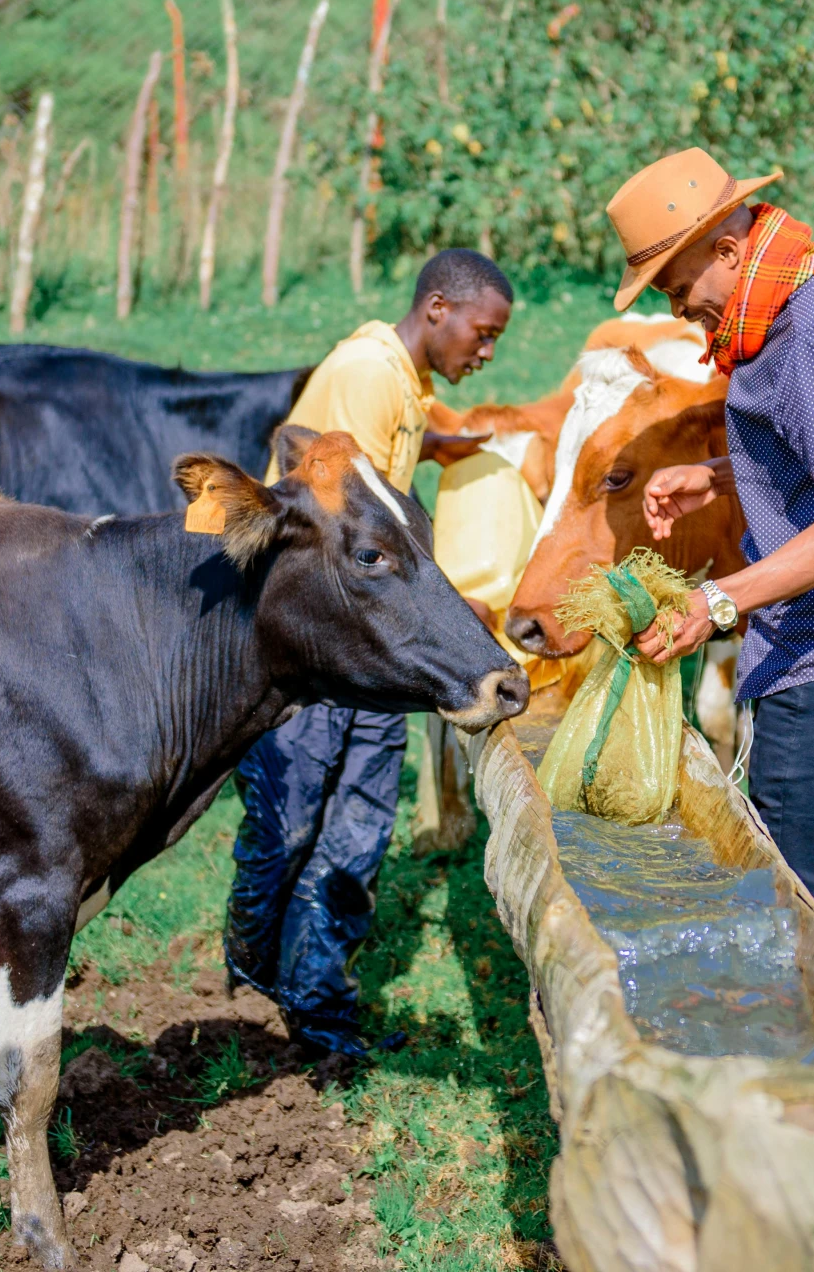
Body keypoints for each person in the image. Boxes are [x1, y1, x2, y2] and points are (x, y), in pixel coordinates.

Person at [606, 146, 814, 1005]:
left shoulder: (805, 332)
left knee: (803, 908)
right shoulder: (801, 300)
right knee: (803, 899)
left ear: (725, 248)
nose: (673, 304)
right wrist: (723, 475)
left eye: (671, 280)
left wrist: (717, 601)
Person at [225, 248, 513, 1058]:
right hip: (318, 654)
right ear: (436, 310)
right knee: (291, 826)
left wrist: (430, 450)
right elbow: (340, 529)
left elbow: (370, 493)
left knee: (354, 833)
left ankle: (319, 1014)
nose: (485, 353)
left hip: (370, 655)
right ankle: (252, 988)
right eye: (482, 334)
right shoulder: (366, 373)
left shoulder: (402, 390)